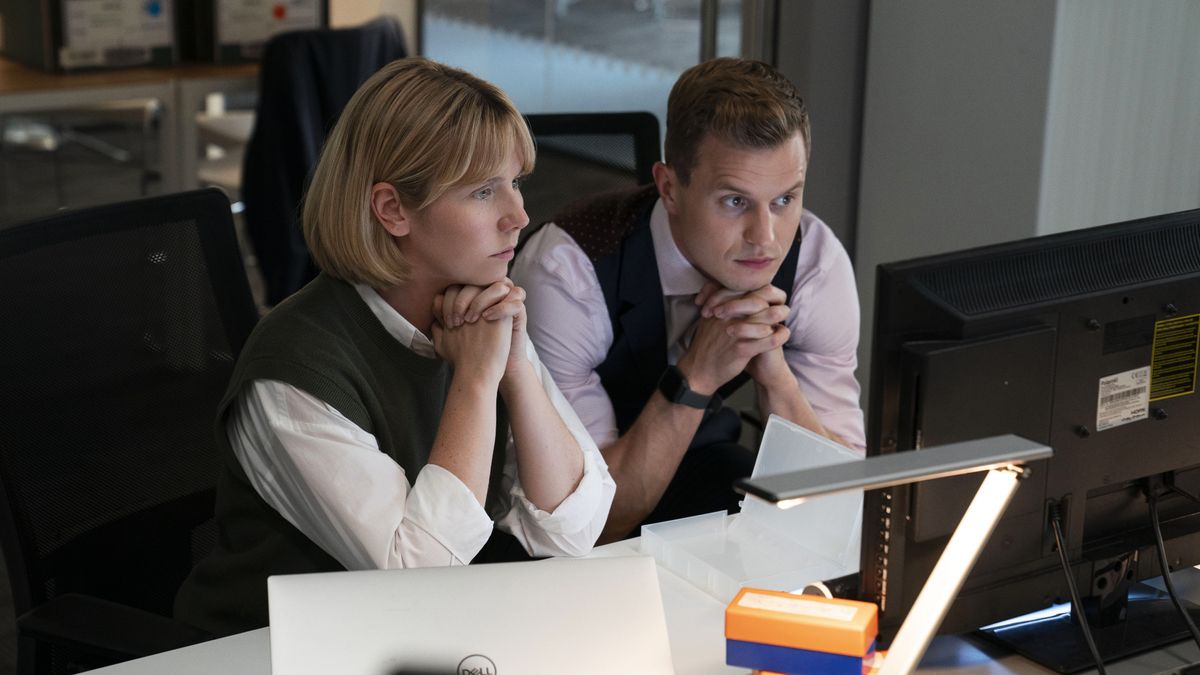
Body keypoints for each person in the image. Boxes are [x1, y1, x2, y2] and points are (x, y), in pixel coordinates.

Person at [176, 57, 615, 635]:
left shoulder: (480, 311)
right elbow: (419, 571)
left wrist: (516, 370)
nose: (520, 216)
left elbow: (573, 529)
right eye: (484, 192)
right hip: (273, 653)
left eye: (516, 183)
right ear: (392, 210)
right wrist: (477, 382)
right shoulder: (291, 376)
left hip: (418, 637)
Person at [511, 57, 864, 543]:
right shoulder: (568, 271)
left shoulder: (814, 262)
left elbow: (841, 508)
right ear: (670, 188)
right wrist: (697, 375)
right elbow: (588, 526)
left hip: (702, 459)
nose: (765, 238)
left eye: (784, 199)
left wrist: (774, 375)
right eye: (735, 201)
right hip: (553, 522)